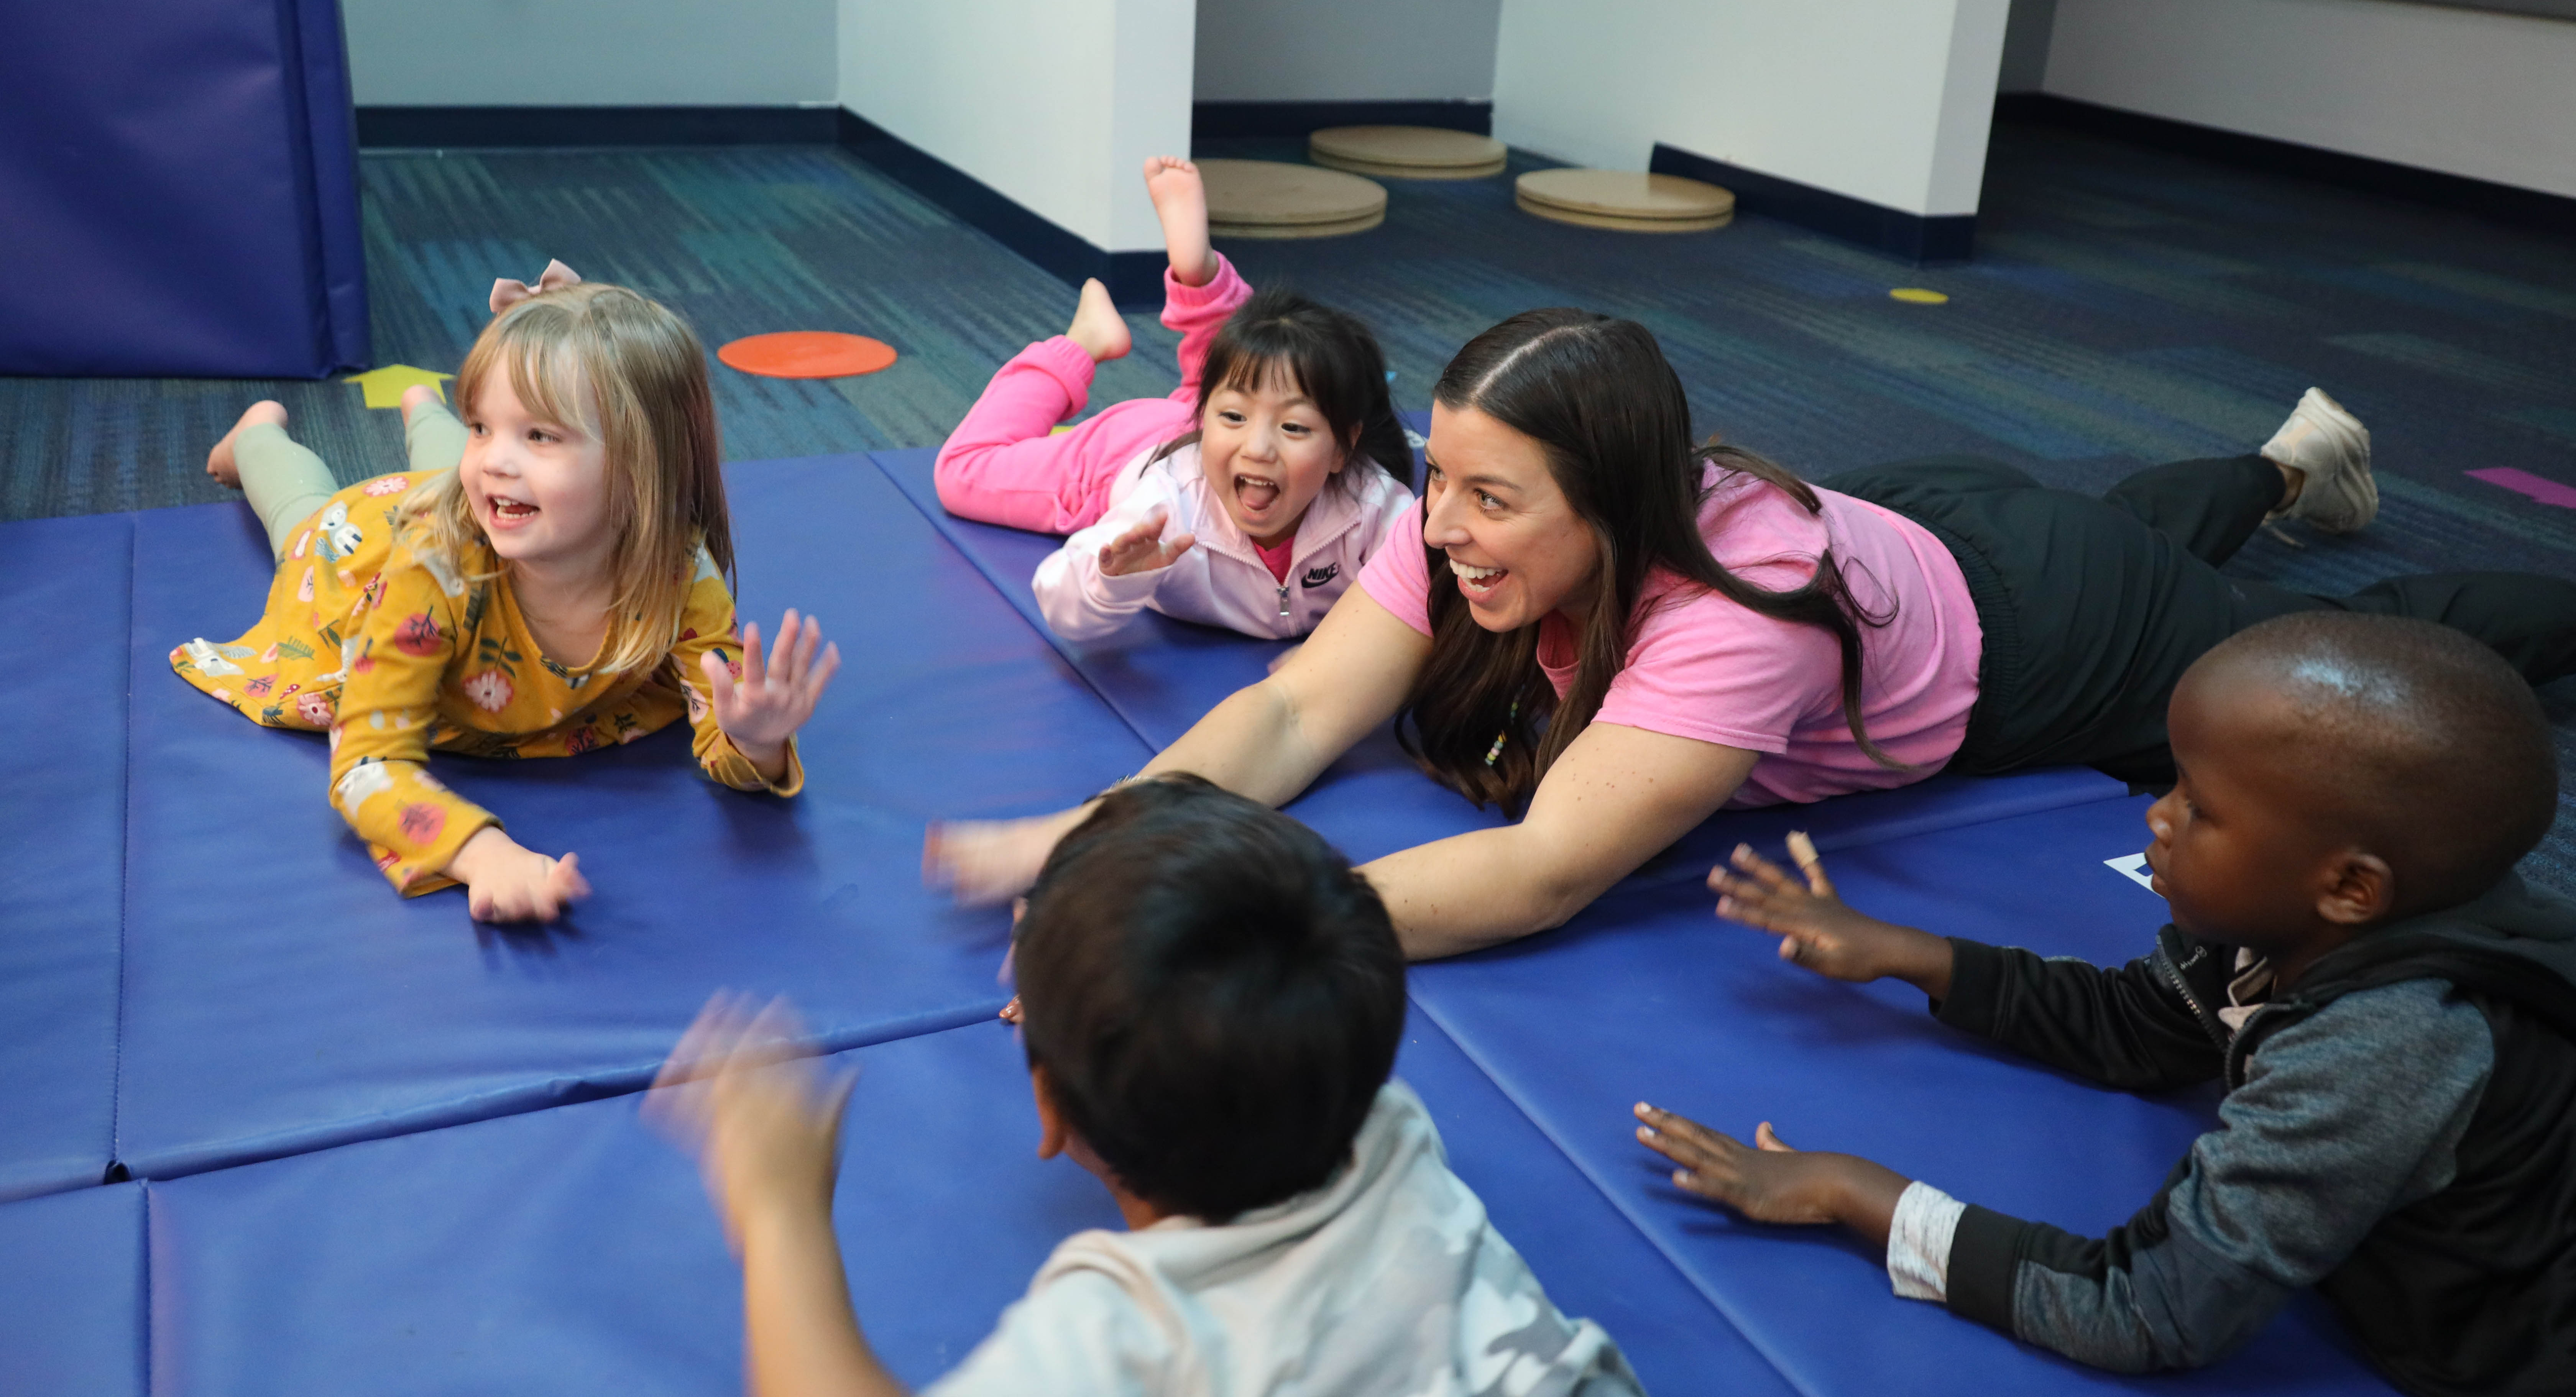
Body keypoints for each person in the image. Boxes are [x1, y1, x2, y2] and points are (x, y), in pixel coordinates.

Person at [927, 309, 2576, 960]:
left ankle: (2322, 502)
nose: (1432, 531)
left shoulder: (1727, 608)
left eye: (1491, 503)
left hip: (2043, 629)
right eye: (1440, 482)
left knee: (2327, 641)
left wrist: (1188, 927)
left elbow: (1541, 868)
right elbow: (1293, 714)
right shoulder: (1477, 522)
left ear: (1615, 505)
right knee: (2133, 520)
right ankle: (2281, 459)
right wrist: (1090, 837)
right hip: (1919, 517)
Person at [1638, 613, 2576, 1395]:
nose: (2156, 818)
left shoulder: (2386, 1045)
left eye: (2199, 809)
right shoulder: (2300, 920)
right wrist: (1905, 953)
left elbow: (2150, 1310)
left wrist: (1856, 1194)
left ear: (2351, 887)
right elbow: (2142, 1024)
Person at [649, 774, 1643, 1397]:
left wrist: (778, 1209)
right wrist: (1098, 982)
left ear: (1049, 1111)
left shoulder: (1121, 1335)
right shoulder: (1388, 1127)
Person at [175, 268, 838, 922]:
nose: (493, 455)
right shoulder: (430, 570)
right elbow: (365, 765)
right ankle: (259, 435)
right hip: (362, 558)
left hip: (481, 513)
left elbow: (720, 728)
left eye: (541, 434)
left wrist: (756, 742)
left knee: (456, 477)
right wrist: (480, 854)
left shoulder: (676, 570)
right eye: (481, 425)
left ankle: (427, 412)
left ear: (644, 471)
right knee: (302, 514)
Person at [934, 156, 1413, 642]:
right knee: (962, 472)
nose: (1259, 449)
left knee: (1250, 375)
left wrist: (1337, 660)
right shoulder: (1166, 506)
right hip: (1130, 449)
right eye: (1234, 419)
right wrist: (1114, 578)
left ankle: (1200, 281)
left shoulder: (1369, 506)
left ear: (1342, 448)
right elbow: (1060, 599)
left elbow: (1429, 593)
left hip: (1207, 420)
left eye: (1294, 427)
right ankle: (1083, 340)